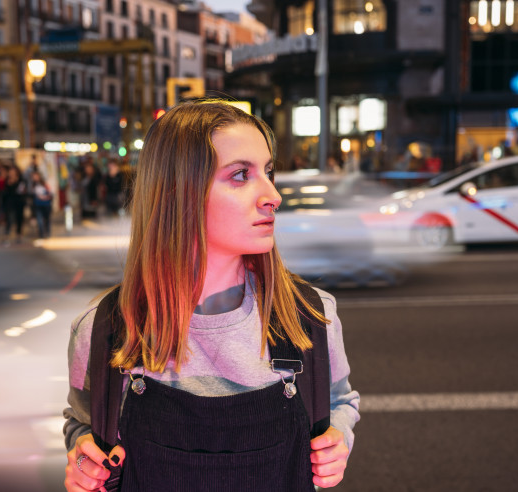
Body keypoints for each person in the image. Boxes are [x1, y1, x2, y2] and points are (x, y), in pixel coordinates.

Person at [63, 101, 360, 491]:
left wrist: (338, 440)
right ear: (178, 192)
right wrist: (83, 457)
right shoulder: (103, 331)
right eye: (241, 175)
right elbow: (81, 422)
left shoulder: (310, 316)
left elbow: (340, 401)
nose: (273, 195)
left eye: (269, 172)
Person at [1, 165, 27, 245]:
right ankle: (7, 234)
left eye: (13, 172)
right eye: (10, 172)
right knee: (9, 218)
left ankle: (18, 234)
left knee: (19, 218)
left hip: (19, 202)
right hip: (10, 202)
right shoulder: (7, 180)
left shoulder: (21, 180)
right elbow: (5, 192)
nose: (11, 173)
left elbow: (22, 191)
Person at [30, 170, 53, 238]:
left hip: (46, 204)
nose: (34, 178)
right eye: (33, 177)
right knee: (39, 219)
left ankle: (47, 232)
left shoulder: (44, 184)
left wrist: (45, 197)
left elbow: (50, 193)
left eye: (36, 176)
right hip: (38, 205)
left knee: (47, 219)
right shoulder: (33, 185)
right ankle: (41, 233)